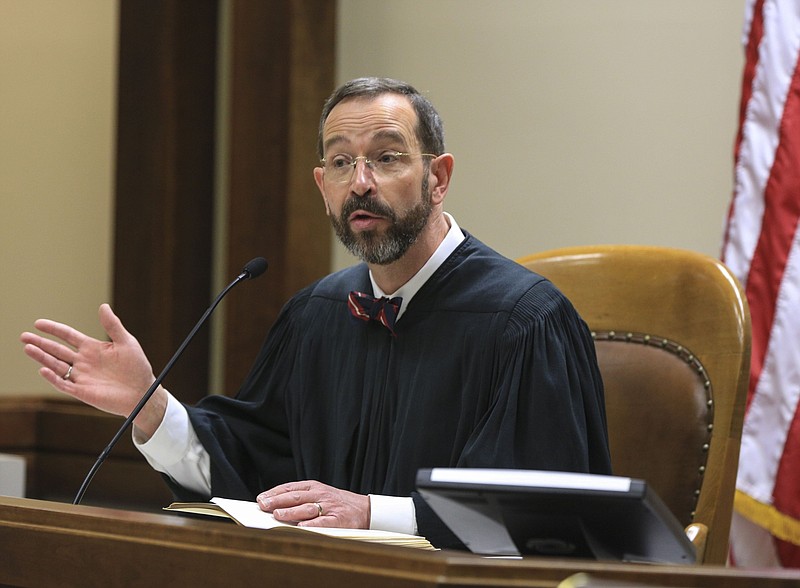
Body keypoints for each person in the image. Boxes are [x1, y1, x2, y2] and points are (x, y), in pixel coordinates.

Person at [20, 77, 611, 548]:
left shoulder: (525, 321)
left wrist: (371, 513)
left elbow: (545, 517)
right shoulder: (318, 315)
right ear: (321, 185)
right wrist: (149, 409)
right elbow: (253, 472)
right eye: (339, 164)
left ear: (438, 178)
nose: (360, 183)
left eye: (386, 158)